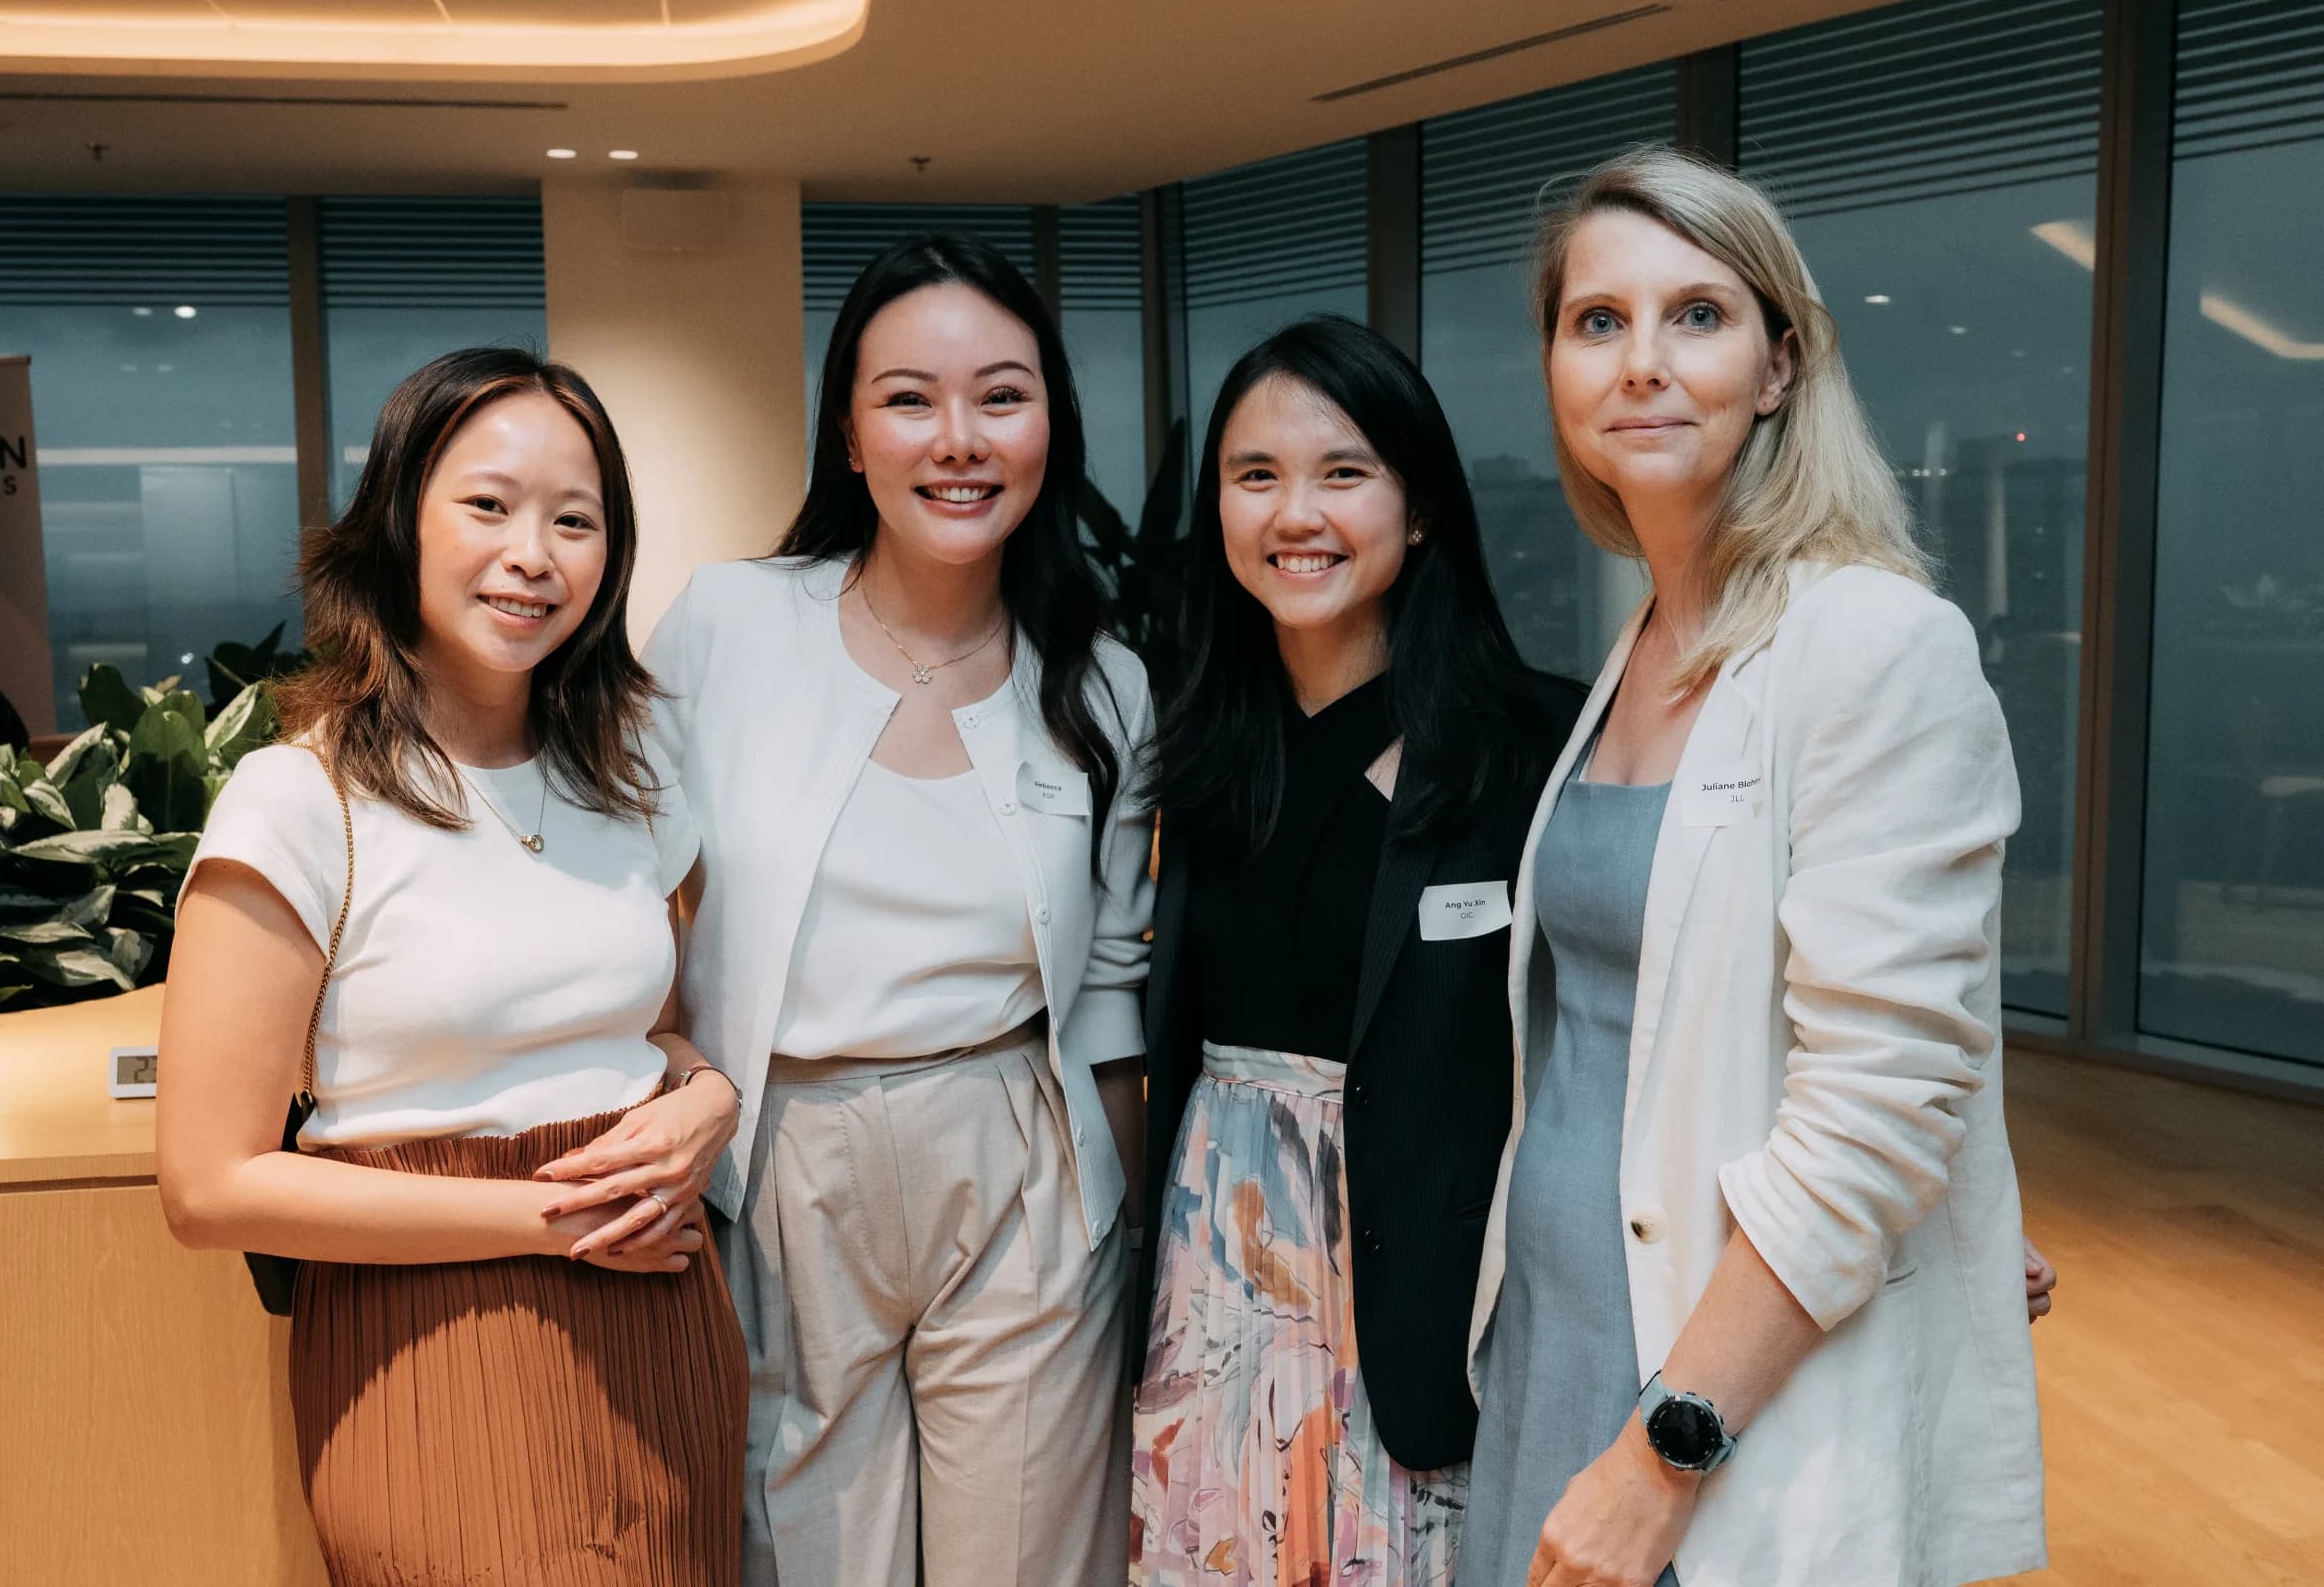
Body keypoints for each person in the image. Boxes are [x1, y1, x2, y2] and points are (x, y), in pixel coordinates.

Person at [1458, 145, 2048, 1587]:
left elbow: (1877, 1104)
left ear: (1779, 365)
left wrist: (1665, 1452)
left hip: (1711, 1400)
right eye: (1598, 321)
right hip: (1558, 1337)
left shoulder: (1873, 643)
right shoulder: (1639, 645)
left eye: (1698, 316)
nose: (1642, 363)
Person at [157, 347, 747, 1586]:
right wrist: (549, 1220)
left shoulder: (629, 775)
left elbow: (647, 1034)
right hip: (431, 1325)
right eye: (489, 504)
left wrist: (708, 1096)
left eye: (574, 520)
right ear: (399, 520)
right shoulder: (299, 798)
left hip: (657, 1310)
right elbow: (209, 1184)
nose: (533, 553)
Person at [639, 231, 1153, 1587]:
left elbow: (1109, 983)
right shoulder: (730, 624)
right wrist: (676, 1077)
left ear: (1050, 424)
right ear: (849, 434)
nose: (959, 439)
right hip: (782, 1154)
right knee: (806, 1553)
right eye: (909, 399)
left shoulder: (1103, 679)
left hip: (1021, 1157)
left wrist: (1127, 1220)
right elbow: (632, 895)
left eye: (1002, 396)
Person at [1130, 317, 1581, 1585]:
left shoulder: (1530, 743)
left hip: (1420, 1283)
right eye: (1256, 474)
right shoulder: (1199, 744)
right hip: (1217, 1281)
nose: (1297, 514)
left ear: (1420, 506)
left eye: (1344, 472)